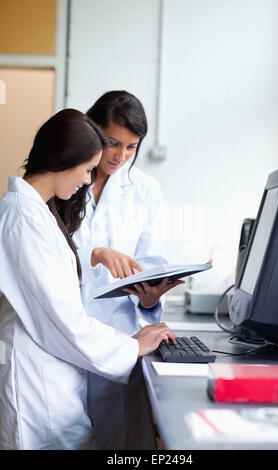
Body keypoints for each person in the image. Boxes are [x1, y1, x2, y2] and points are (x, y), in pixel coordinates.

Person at [0, 108, 176, 450]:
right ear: (64, 160)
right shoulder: (22, 217)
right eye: (86, 170)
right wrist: (131, 345)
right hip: (38, 389)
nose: (86, 180)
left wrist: (94, 255)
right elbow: (61, 318)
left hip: (56, 379)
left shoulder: (37, 212)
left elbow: (49, 277)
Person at [55, 91, 184, 449]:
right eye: (113, 143)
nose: (120, 156)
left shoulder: (145, 191)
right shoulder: (65, 181)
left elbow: (151, 264)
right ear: (92, 130)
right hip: (67, 336)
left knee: (121, 444)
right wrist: (94, 252)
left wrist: (150, 298)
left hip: (119, 337)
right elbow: (46, 251)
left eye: (131, 147)